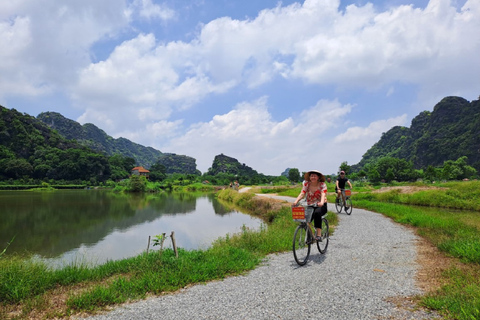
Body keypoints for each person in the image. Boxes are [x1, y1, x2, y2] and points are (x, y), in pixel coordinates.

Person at [292, 170, 328, 241]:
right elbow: (302, 193)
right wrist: (296, 201)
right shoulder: (307, 184)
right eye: (311, 176)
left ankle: (319, 234)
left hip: (320, 205)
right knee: (305, 220)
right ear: (309, 177)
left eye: (315, 176)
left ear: (318, 177)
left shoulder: (322, 185)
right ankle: (309, 236)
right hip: (310, 204)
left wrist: (321, 202)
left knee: (317, 213)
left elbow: (323, 194)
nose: (313, 177)